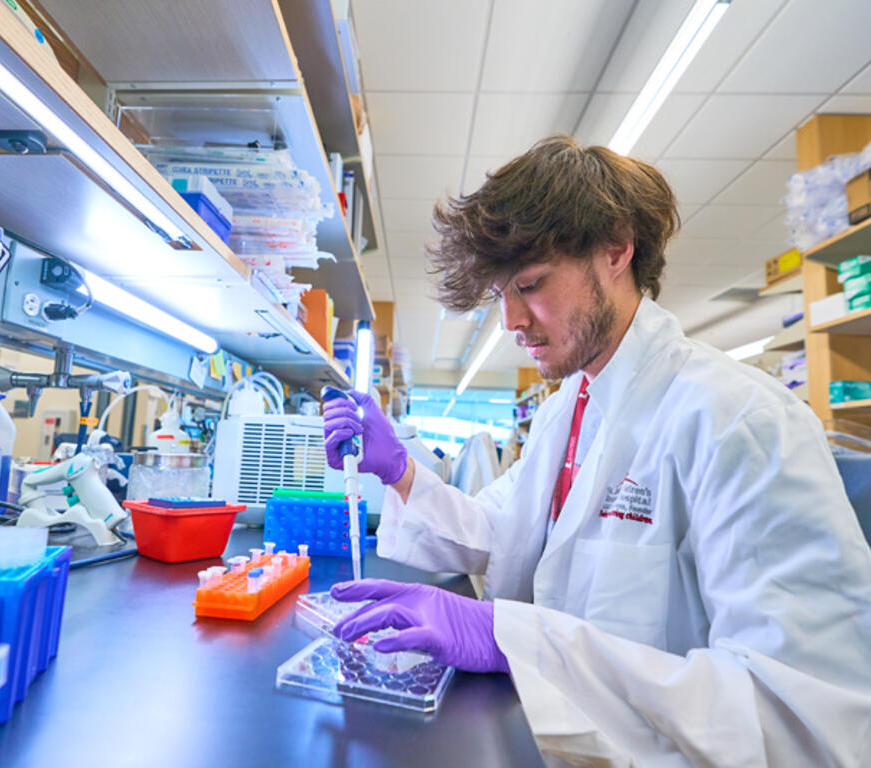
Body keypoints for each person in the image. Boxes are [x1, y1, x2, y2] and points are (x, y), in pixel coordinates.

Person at [323, 136, 871, 767]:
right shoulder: (566, 408)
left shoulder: (738, 419)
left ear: (615, 249)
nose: (510, 322)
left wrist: (514, 640)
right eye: (502, 293)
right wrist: (399, 472)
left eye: (529, 284)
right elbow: (502, 533)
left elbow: (806, 722)